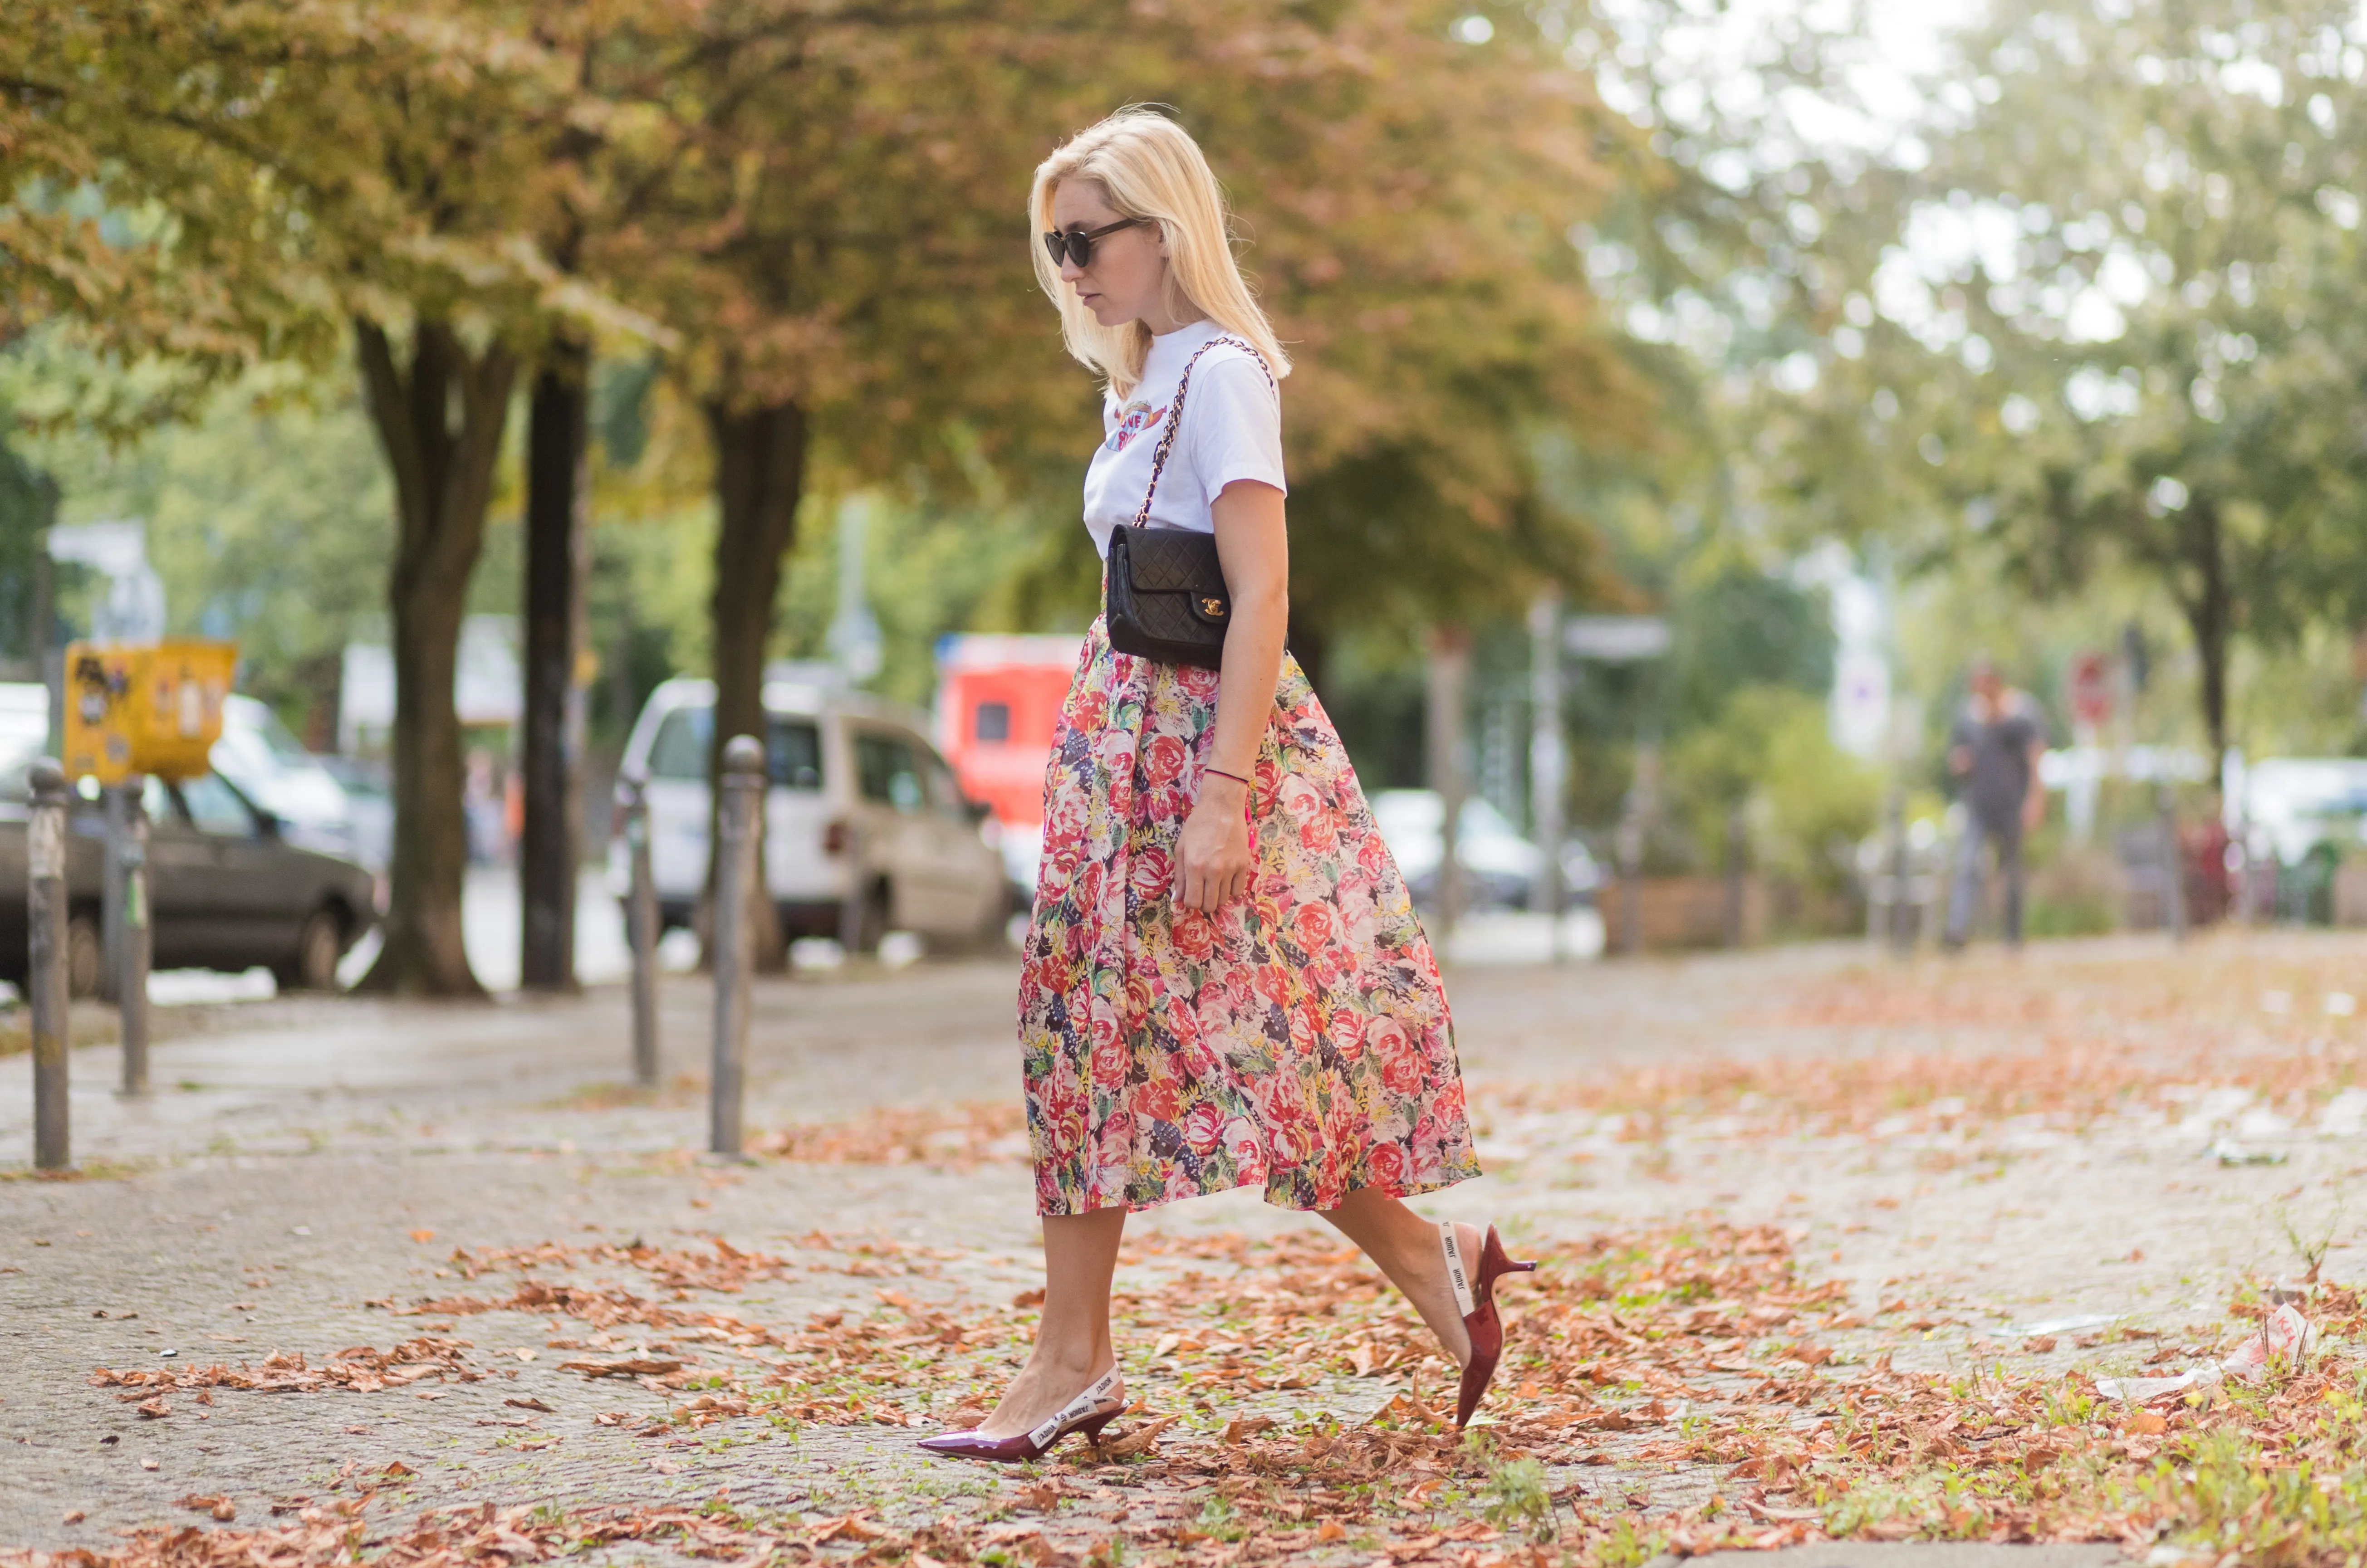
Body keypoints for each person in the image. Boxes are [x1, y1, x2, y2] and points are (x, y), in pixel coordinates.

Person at [921, 109, 1531, 1464]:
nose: (1069, 267)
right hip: (1115, 751)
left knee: (1264, 1061)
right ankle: (1071, 1359)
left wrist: (1222, 793)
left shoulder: (1223, 377)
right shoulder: (1139, 382)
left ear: (1163, 228)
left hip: (1197, 755)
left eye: (1087, 239)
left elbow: (1260, 597)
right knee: (1080, 1040)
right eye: (1054, 244)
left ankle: (1442, 1273)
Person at [1942, 655, 2048, 949]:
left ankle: (2013, 935)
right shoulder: (1967, 718)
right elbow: (1956, 756)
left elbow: (2035, 758)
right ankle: (1957, 929)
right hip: (1977, 804)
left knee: (2011, 870)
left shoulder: (2021, 714)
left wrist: (2035, 800)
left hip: (2011, 804)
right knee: (1966, 863)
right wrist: (1959, 764)